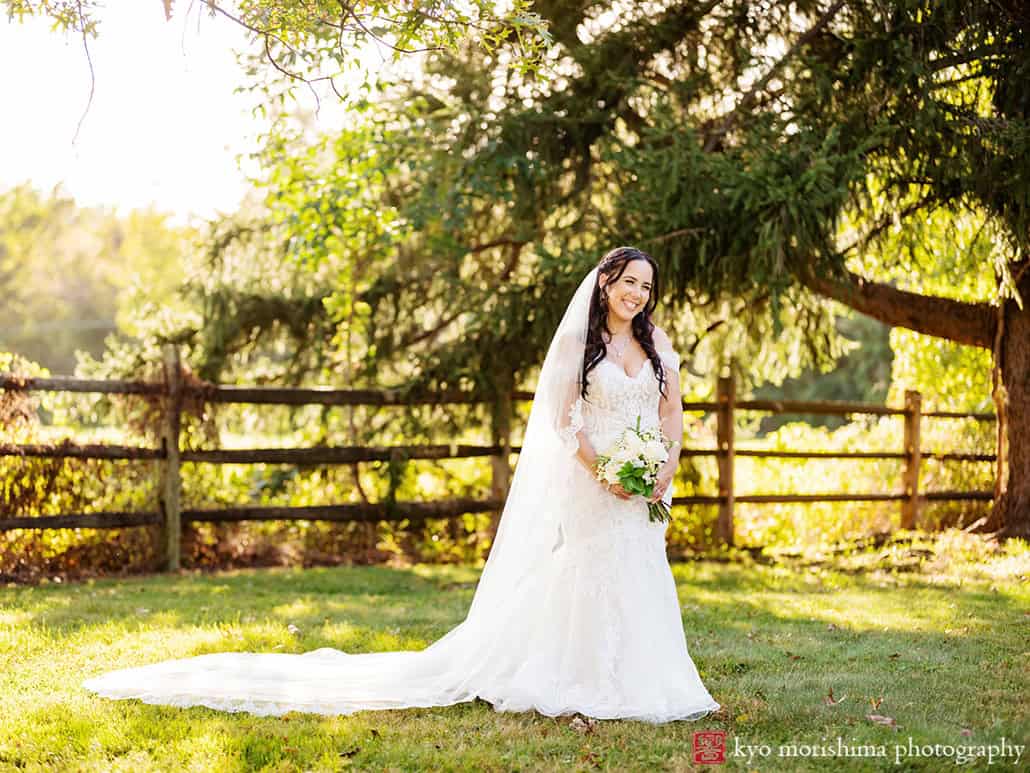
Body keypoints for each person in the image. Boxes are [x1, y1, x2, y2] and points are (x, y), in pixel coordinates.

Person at [83, 246, 721, 724]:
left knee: (639, 568)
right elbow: (562, 420)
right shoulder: (581, 343)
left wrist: (658, 472)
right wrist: (605, 471)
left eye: (646, 286)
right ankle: (580, 675)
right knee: (588, 569)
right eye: (628, 282)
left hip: (645, 481)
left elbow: (671, 414)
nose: (637, 294)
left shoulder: (656, 342)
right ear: (605, 282)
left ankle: (650, 678)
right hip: (596, 480)